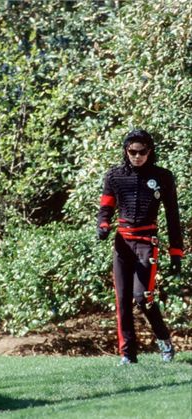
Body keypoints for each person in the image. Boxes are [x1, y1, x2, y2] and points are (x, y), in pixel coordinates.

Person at [97, 129, 183, 364]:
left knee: (142, 296)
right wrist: (103, 225)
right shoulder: (114, 176)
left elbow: (173, 215)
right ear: (126, 151)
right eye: (132, 151)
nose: (137, 156)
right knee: (122, 299)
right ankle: (127, 355)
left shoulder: (163, 177)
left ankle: (164, 342)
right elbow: (106, 207)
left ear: (150, 151)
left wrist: (176, 251)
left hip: (147, 242)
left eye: (142, 152)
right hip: (123, 242)